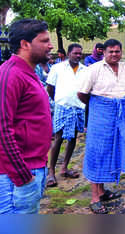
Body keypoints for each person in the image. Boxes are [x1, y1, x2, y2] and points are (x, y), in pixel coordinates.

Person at [0, 19, 53, 214]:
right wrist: (23, 176)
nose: (51, 46)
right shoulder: (10, 74)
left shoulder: (29, 73)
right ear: (25, 44)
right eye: (44, 41)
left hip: (32, 170)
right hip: (16, 178)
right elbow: (2, 130)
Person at [78, 39, 125, 214]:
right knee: (97, 153)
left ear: (121, 52)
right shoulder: (93, 70)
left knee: (111, 151)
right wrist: (100, 107)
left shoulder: (124, 68)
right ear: (104, 52)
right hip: (100, 116)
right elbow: (82, 94)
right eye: (111, 51)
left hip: (119, 116)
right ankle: (94, 198)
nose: (114, 54)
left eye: (117, 51)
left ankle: (102, 191)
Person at [45, 43, 86, 187]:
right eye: (75, 53)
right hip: (62, 107)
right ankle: (51, 173)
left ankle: (64, 168)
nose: (78, 56)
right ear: (68, 54)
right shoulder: (57, 68)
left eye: (80, 53)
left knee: (73, 137)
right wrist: (59, 100)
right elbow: (50, 88)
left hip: (78, 108)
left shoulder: (84, 70)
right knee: (58, 138)